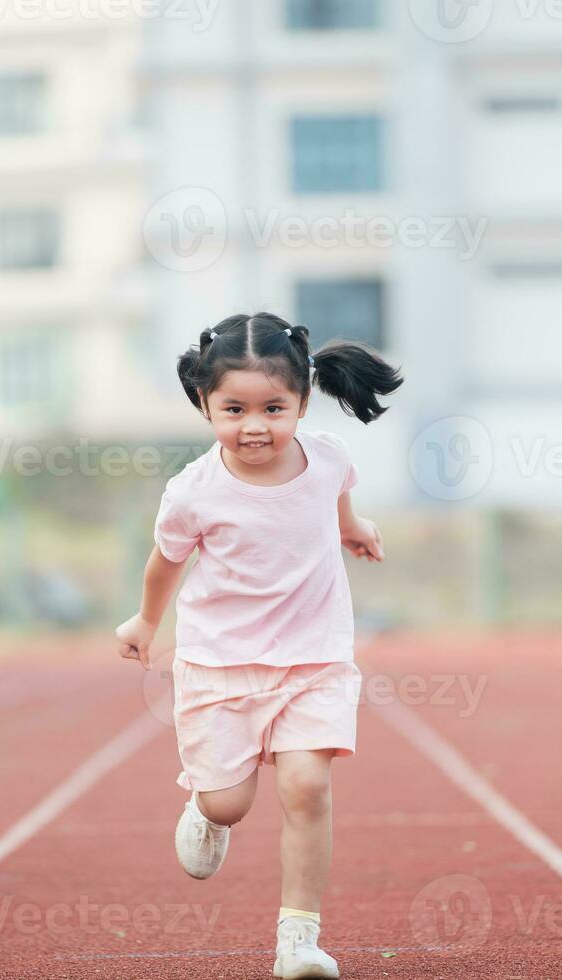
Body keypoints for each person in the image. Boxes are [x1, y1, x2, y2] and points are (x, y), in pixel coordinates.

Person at [114, 311, 403, 979]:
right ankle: (205, 810)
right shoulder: (192, 493)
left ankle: (297, 941)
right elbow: (165, 564)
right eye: (234, 408)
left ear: (303, 399)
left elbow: (337, 500)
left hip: (315, 657)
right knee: (230, 802)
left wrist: (354, 530)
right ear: (204, 405)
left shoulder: (328, 457)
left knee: (307, 785)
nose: (255, 425)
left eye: (274, 407)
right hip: (221, 663)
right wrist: (144, 623)